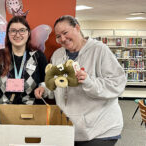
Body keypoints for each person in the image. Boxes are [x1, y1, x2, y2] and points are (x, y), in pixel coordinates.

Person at [34, 15, 126, 146]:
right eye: (58, 36)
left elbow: (117, 84)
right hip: (71, 128)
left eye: (65, 33)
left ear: (77, 28)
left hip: (101, 130)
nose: (62, 39)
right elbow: (57, 83)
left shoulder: (100, 50)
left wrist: (88, 81)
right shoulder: (58, 55)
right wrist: (45, 88)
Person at [0, 16, 47, 104]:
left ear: (28, 33)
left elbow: (45, 82)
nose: (17, 35)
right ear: (8, 33)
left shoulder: (38, 56)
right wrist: (0, 107)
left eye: (22, 30)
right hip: (4, 112)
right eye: (13, 30)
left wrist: (43, 88)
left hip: (31, 113)